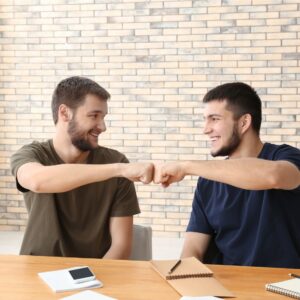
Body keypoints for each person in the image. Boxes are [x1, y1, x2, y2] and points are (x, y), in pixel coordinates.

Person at [154, 82, 300, 268]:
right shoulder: (208, 180)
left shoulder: (287, 157)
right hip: (227, 288)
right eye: (205, 119)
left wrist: (186, 166)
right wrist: (186, 281)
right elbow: (194, 248)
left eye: (214, 119)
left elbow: (274, 177)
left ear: (244, 122)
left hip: (282, 288)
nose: (205, 129)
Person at [10, 76, 153, 259]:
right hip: (37, 272)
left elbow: (121, 246)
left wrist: (90, 282)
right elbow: (38, 181)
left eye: (103, 117)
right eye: (94, 116)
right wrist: (119, 170)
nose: (102, 126)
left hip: (98, 275)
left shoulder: (116, 160)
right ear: (64, 113)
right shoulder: (31, 155)